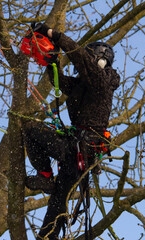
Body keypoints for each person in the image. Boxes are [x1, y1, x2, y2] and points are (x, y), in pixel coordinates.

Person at [23, 23, 120, 239]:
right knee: (58, 201)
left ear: (98, 60)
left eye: (89, 59)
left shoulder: (102, 82)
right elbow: (62, 82)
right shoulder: (85, 85)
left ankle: (45, 175)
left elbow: (81, 59)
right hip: (76, 151)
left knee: (31, 131)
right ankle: (47, 237)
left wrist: (54, 35)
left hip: (81, 148)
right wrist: (52, 63)